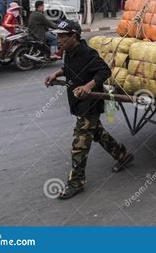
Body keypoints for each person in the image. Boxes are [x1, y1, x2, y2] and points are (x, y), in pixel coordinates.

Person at [44, 20, 134, 199]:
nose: (59, 40)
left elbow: (104, 71)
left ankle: (76, 182)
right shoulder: (69, 52)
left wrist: (89, 85)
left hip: (90, 104)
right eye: (58, 36)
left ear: (74, 36)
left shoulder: (87, 53)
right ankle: (122, 155)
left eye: (63, 36)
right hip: (78, 101)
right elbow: (70, 68)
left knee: (80, 143)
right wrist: (57, 73)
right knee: (97, 133)